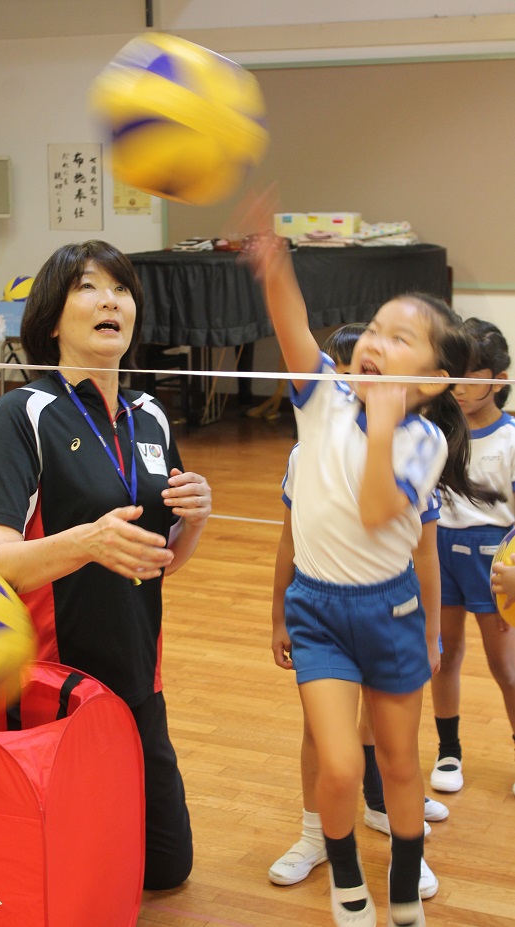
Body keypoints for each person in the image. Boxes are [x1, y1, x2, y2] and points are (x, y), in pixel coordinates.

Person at [243, 196, 497, 927]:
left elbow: (380, 509)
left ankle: (404, 881)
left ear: (435, 379)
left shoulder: (424, 440)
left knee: (397, 764)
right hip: (318, 611)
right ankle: (344, 874)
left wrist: (383, 425)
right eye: (376, 327)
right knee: (339, 764)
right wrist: (275, 267)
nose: (378, 340)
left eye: (400, 336)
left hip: (388, 613)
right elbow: (291, 329)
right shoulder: (320, 396)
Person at [0, 239, 212, 891]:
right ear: (51, 318)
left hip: (138, 678)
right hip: (55, 683)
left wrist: (196, 520)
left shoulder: (151, 416)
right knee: (68, 881)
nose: (110, 300)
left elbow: (162, 560)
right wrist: (86, 542)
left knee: (167, 868)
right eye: (87, 288)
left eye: (120, 289)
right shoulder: (25, 413)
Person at [268, 323, 446, 901]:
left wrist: (432, 633)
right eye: (346, 371)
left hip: (389, 614)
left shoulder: (417, 451)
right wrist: (278, 616)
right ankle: (314, 834)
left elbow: (424, 554)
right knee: (323, 740)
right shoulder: (309, 450)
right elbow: (289, 542)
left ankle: (400, 847)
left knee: (393, 746)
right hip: (320, 611)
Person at [432, 317, 515, 796]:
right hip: (439, 553)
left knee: (506, 666)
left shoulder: (509, 438)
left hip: (493, 559)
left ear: (498, 382)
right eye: (450, 375)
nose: (457, 389)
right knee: (444, 656)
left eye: (470, 377)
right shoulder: (436, 432)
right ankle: (448, 750)